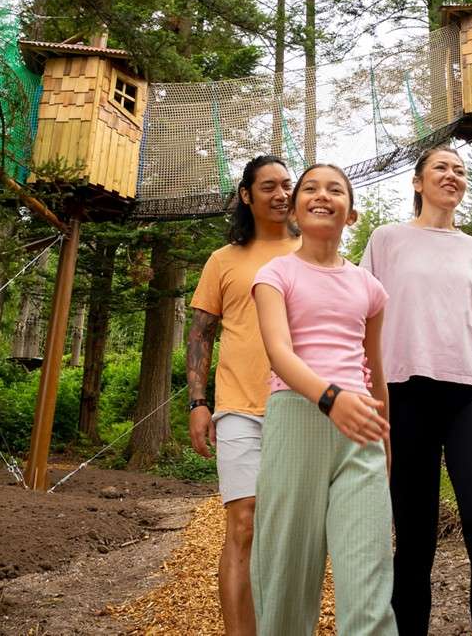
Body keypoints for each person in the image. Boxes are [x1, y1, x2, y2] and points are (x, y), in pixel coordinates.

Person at [360, 145, 472, 635]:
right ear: (418, 182)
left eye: (460, 170)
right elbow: (362, 320)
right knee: (414, 540)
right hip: (403, 395)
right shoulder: (386, 240)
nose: (452, 175)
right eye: (440, 168)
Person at [250, 163, 397, 635]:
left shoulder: (370, 287)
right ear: (294, 211)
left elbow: (375, 372)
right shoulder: (275, 274)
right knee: (287, 576)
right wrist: (331, 398)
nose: (322, 195)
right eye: (310, 188)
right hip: (297, 418)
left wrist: (385, 444)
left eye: (336, 190)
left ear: (350, 213)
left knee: (369, 579)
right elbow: (279, 354)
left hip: (362, 430)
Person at [187, 155, 298, 636]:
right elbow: (200, 334)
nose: (281, 194)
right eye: (269, 186)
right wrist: (198, 403)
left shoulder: (312, 251)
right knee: (244, 523)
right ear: (247, 196)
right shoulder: (223, 260)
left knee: (290, 531)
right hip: (238, 408)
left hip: (301, 409)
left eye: (287, 184)